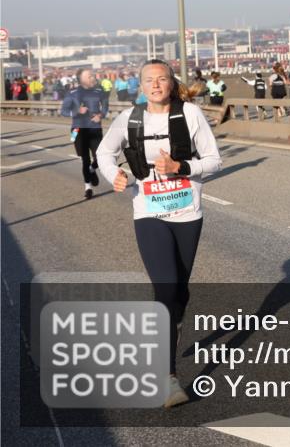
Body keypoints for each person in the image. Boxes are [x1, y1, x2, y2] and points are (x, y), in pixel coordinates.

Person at [97, 59, 221, 409]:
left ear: (171, 83)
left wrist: (182, 166)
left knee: (179, 292)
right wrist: (115, 176)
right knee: (165, 287)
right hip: (149, 212)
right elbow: (105, 152)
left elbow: (214, 160)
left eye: (162, 79)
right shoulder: (129, 119)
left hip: (187, 213)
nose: (156, 85)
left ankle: (171, 321)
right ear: (140, 86)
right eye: (149, 80)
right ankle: (167, 379)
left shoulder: (190, 115)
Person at [60, 68, 110, 199]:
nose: (93, 78)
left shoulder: (100, 92)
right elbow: (64, 111)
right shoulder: (72, 93)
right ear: (81, 79)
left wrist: (101, 115)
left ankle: (92, 169)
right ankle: (88, 187)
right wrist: (76, 111)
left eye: (93, 76)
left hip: (95, 128)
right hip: (77, 130)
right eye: (89, 76)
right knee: (85, 159)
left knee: (101, 157)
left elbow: (105, 107)